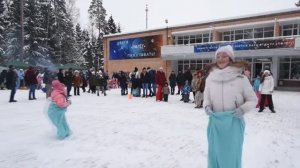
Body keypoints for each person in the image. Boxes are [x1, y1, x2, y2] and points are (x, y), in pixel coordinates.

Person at [203, 45, 257, 168]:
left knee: (231, 155)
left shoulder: (241, 79)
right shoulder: (210, 78)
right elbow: (207, 97)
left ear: (231, 58)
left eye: (224, 56)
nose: (220, 59)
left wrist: (242, 110)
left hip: (234, 123)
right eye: (218, 56)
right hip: (215, 123)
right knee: (215, 153)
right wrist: (207, 106)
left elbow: (253, 99)